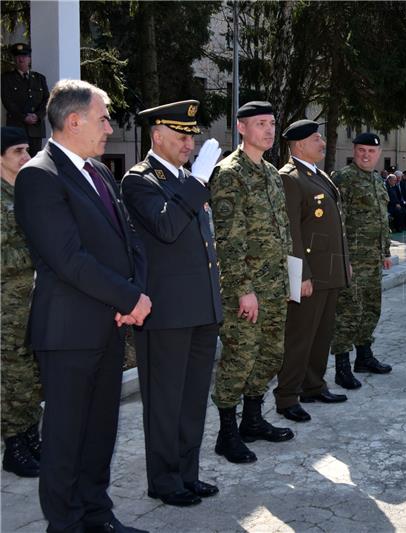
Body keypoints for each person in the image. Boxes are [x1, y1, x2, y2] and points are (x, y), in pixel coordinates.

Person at [14, 79, 151, 533]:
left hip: (109, 325)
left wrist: (134, 294)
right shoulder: (39, 175)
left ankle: (97, 516)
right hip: (69, 333)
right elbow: (69, 259)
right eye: (103, 117)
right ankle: (66, 524)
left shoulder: (99, 172)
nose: (109, 127)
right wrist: (129, 297)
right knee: (65, 440)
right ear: (73, 121)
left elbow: (129, 240)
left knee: (99, 436)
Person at [120, 100, 223, 507]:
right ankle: (163, 480)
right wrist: (196, 183)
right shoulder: (139, 180)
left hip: (200, 308)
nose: (189, 143)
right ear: (157, 136)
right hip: (165, 313)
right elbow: (165, 226)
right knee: (164, 401)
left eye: (192, 136)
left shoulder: (186, 179)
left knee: (193, 399)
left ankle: (186, 473)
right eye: (181, 136)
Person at [209, 101, 294, 462]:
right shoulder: (230, 173)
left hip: (275, 286)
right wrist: (244, 290)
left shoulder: (272, 173)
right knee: (240, 357)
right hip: (246, 290)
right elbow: (228, 239)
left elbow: (283, 231)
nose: (269, 130)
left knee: (270, 355)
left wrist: (290, 278)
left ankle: (253, 420)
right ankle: (226, 432)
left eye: (272, 123)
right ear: (241, 128)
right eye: (261, 124)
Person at [274, 119, 350, 423]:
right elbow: (292, 231)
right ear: (299, 145)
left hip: (329, 270)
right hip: (309, 273)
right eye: (316, 139)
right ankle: (287, 396)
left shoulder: (318, 175)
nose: (322, 143)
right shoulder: (290, 178)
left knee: (322, 334)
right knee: (300, 336)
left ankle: (313, 385)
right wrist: (300, 275)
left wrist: (345, 262)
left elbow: (336, 227)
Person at [330, 132, 394, 390]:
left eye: (371, 151)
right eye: (361, 151)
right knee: (348, 313)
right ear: (354, 151)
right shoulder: (343, 179)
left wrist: (386, 252)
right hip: (353, 260)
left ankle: (364, 357)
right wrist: (342, 258)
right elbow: (336, 223)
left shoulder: (378, 180)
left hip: (373, 259)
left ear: (378, 154)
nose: (366, 155)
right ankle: (342, 367)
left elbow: (382, 220)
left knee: (371, 309)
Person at [1, 126, 42, 479]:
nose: (27, 158)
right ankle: (14, 445)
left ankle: (31, 435)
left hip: (32, 299)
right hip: (6, 305)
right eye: (18, 151)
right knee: (11, 374)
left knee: (30, 372)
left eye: (28, 150)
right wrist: (40, 253)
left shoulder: (26, 191)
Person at [1, 43, 49, 155]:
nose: (20, 59)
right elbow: (7, 101)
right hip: (16, 127)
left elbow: (47, 100)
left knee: (34, 162)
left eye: (24, 56)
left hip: (35, 129)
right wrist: (23, 117)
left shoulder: (39, 78)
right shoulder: (6, 78)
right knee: (16, 161)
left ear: (29, 59)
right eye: (17, 56)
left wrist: (37, 116)